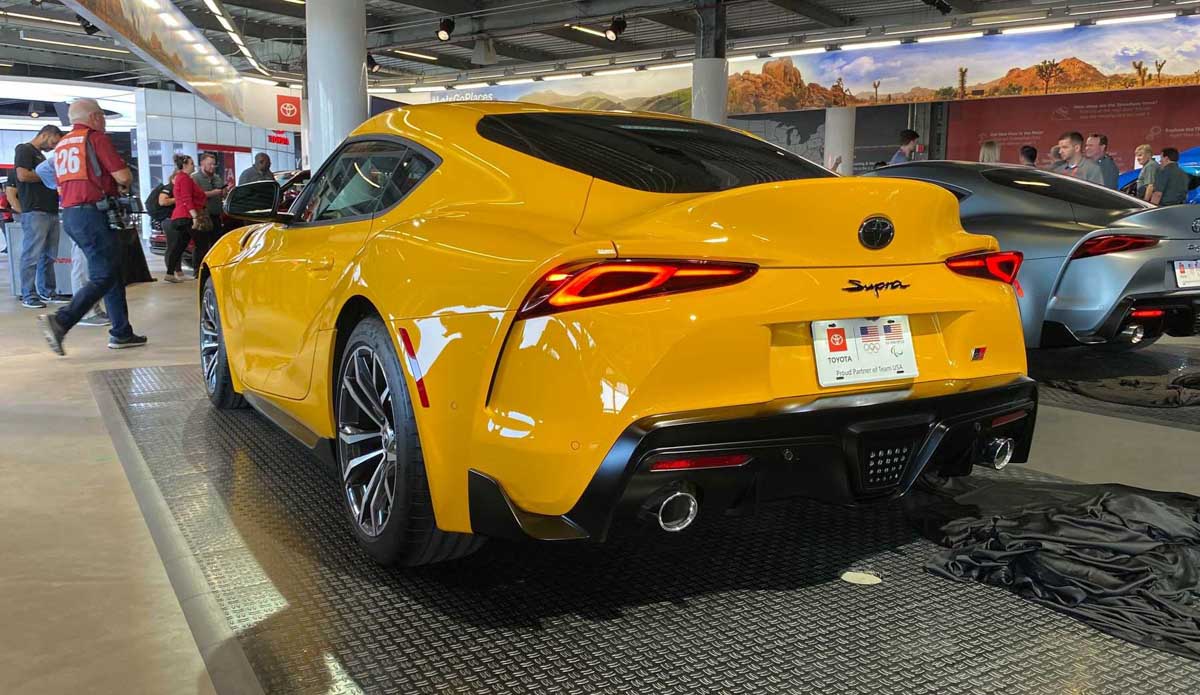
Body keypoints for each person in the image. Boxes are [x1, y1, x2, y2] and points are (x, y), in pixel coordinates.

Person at [39, 97, 146, 354]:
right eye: (102, 115)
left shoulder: (63, 145)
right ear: (94, 117)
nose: (105, 120)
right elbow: (123, 176)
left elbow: (51, 174)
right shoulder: (96, 139)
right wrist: (119, 181)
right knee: (103, 274)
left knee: (111, 271)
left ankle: (121, 332)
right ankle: (61, 321)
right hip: (93, 214)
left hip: (71, 214)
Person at [33, 157, 108, 327]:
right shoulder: (71, 150)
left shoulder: (73, 151)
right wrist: (60, 188)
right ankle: (86, 313)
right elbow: (42, 169)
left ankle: (90, 310)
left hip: (82, 210)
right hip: (79, 210)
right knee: (82, 263)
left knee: (88, 263)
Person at [14, 124, 66, 309]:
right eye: (53, 142)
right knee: (32, 254)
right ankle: (28, 294)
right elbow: (23, 175)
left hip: (51, 210)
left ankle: (47, 291)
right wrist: (47, 176)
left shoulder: (42, 156)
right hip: (35, 210)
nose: (54, 147)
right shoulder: (24, 149)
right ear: (45, 134)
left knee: (49, 255)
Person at [165, 154, 210, 283]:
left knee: (180, 245)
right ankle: (202, 274)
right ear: (184, 165)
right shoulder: (184, 179)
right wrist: (195, 216)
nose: (193, 165)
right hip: (187, 216)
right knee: (201, 244)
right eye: (191, 163)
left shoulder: (181, 178)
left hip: (181, 215)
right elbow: (186, 198)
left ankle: (170, 273)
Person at [192, 152, 227, 239]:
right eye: (210, 164)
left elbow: (223, 194)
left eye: (214, 164)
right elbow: (195, 195)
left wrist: (224, 191)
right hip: (203, 218)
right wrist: (213, 193)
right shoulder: (194, 178)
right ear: (202, 164)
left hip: (217, 216)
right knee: (204, 242)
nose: (212, 167)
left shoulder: (217, 178)